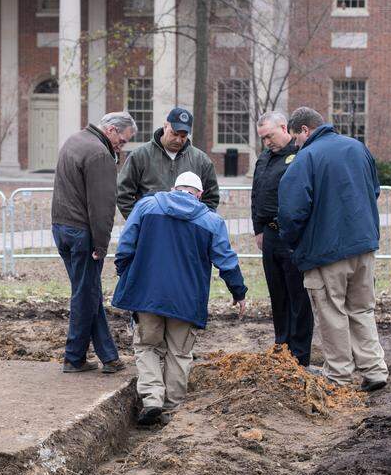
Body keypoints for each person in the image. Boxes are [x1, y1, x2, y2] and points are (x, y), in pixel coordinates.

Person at [113, 171, 248, 425]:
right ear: (200, 194)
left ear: (174, 188)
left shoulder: (147, 206)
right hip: (187, 299)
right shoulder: (211, 220)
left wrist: (125, 273)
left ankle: (152, 399)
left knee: (147, 346)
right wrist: (238, 291)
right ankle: (170, 409)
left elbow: (126, 245)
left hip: (147, 293)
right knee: (179, 352)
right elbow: (226, 260)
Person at [277, 107, 388, 393]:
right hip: (363, 245)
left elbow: (291, 211)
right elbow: (374, 190)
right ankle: (374, 369)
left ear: (304, 130)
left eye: (296, 138)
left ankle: (338, 375)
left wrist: (292, 242)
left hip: (326, 252)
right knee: (362, 309)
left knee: (331, 312)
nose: (296, 145)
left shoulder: (306, 158)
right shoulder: (358, 148)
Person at [51, 112, 137, 374]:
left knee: (88, 292)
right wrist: (101, 245)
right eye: (122, 141)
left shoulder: (74, 141)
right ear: (111, 130)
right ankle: (74, 357)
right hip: (82, 234)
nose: (121, 147)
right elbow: (102, 207)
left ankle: (108, 357)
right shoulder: (100, 154)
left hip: (62, 228)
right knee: (85, 295)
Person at [252, 111, 314, 366]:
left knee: (297, 295)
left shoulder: (300, 155)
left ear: (284, 128)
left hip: (293, 235)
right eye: (263, 138)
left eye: (269, 136)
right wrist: (258, 229)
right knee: (277, 293)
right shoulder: (264, 158)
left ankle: (300, 354)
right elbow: (256, 195)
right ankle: (282, 345)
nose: (267, 142)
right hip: (269, 234)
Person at [116, 107, 220, 219]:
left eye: (183, 136)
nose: (178, 140)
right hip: (151, 226)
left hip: (187, 228)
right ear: (165, 126)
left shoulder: (201, 160)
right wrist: (139, 221)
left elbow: (211, 198)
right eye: (174, 134)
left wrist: (199, 223)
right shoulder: (140, 155)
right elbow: (122, 193)